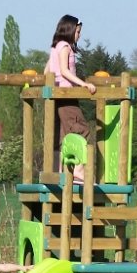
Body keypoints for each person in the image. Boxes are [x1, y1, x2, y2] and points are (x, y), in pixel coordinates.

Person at [44, 14, 97, 184]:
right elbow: (65, 71)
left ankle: (60, 171)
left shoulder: (54, 48)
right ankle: (78, 172)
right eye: (77, 32)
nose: (79, 35)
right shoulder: (65, 46)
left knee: (63, 134)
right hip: (66, 96)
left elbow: (47, 72)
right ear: (70, 30)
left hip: (59, 95)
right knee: (81, 129)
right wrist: (84, 84)